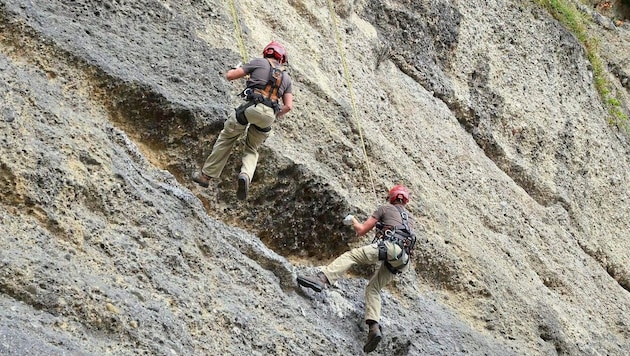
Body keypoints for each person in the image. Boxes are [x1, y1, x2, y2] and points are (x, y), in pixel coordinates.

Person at [296, 185, 417, 353]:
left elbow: (361, 230)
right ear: (405, 200)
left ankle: (322, 278)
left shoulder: (384, 208)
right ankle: (374, 328)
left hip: (388, 247)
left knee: (351, 256)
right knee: (374, 288)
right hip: (403, 260)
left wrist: (352, 219)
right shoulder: (410, 219)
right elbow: (401, 233)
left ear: (392, 197)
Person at [192, 41, 293, 200]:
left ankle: (205, 176)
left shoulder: (258, 62)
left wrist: (237, 70)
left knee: (227, 137)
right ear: (281, 59)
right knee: (252, 148)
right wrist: (273, 115)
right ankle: (245, 174)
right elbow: (288, 106)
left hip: (251, 108)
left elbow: (230, 76)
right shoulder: (286, 78)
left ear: (266, 52)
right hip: (269, 116)